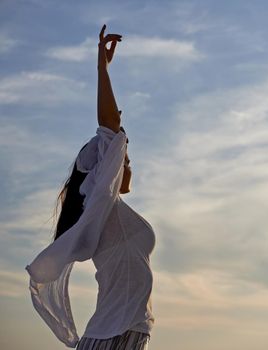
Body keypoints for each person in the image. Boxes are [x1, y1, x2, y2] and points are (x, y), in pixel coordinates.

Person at [25, 24, 155, 350]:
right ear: (99, 174)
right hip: (114, 333)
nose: (127, 163)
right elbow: (109, 127)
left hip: (125, 331)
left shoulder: (103, 211)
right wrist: (103, 68)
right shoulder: (100, 200)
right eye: (122, 160)